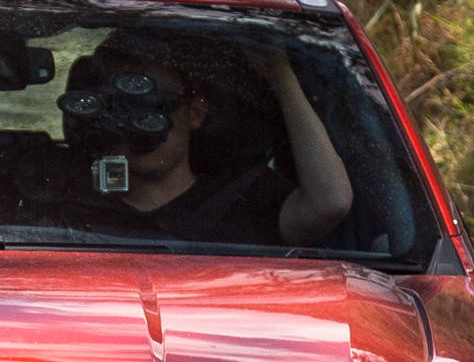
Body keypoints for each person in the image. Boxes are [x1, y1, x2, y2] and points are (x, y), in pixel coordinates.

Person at [59, 33, 354, 247]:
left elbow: (331, 203)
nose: (141, 123)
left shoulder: (246, 200)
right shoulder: (62, 196)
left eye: (157, 103)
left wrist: (280, 75)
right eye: (124, 103)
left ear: (195, 113)